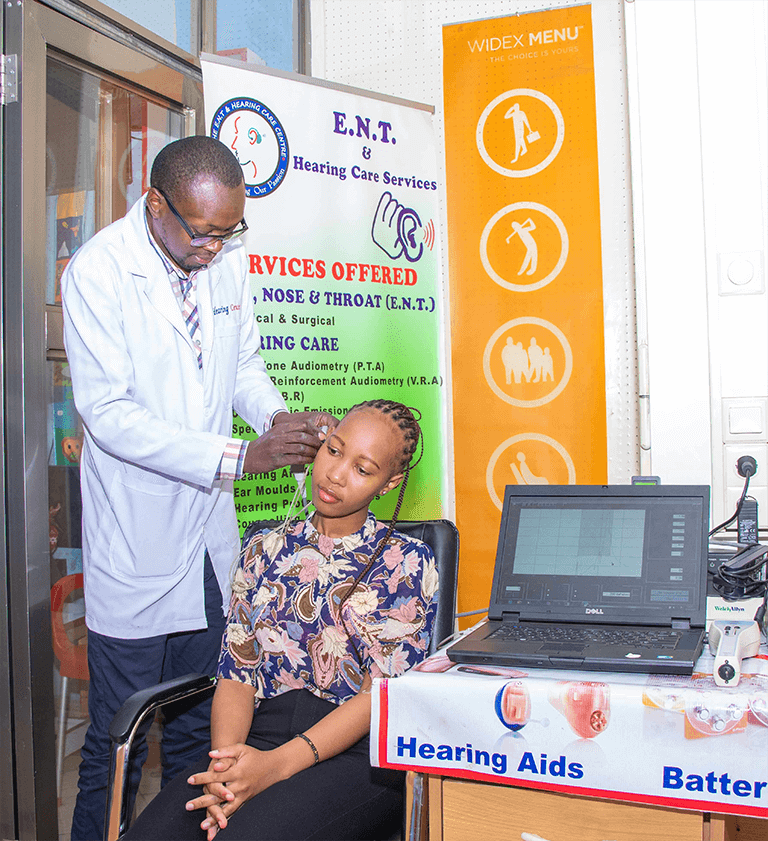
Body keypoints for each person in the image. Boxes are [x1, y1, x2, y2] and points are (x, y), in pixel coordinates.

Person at [61, 136, 335, 841]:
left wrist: (277, 418)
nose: (216, 247)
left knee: (200, 732)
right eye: (202, 231)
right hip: (139, 545)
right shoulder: (98, 272)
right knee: (118, 739)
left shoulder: (225, 261)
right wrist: (243, 457)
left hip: (211, 550)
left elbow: (242, 364)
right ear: (155, 204)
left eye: (228, 231)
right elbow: (112, 416)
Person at [124, 399, 438, 841]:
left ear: (390, 483)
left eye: (363, 469)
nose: (335, 473)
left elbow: (377, 696)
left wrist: (274, 768)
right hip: (259, 732)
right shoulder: (263, 548)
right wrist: (226, 766)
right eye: (333, 450)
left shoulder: (406, 563)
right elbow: (237, 672)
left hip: (353, 752)